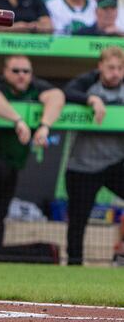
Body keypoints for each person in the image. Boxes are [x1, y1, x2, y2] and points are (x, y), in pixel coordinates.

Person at [0, 55, 65, 256]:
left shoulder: (36, 87)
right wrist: (18, 120)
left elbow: (57, 96)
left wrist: (45, 126)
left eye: (26, 71)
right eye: (16, 71)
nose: (21, 75)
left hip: (12, 160)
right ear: (5, 72)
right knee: (0, 170)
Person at [63, 46, 124, 265]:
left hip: (115, 162)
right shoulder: (89, 82)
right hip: (84, 165)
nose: (115, 73)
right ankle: (74, 264)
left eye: (120, 68)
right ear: (100, 67)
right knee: (78, 219)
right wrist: (92, 100)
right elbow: (67, 92)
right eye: (110, 68)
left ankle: (121, 254)